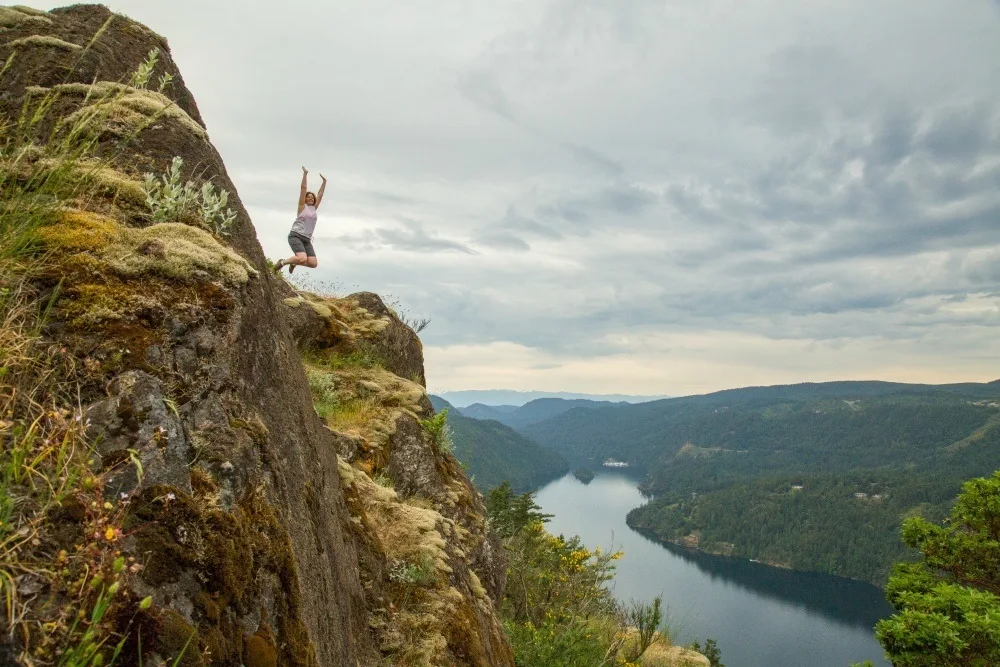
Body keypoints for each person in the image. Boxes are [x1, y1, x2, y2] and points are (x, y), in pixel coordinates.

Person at [273, 166, 327, 273]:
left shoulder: (313, 209)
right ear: (305, 199)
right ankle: (283, 262)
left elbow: (320, 194)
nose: (311, 198)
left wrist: (324, 182)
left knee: (313, 263)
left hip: (306, 239)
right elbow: (303, 188)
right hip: (296, 235)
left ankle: (294, 262)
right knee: (302, 258)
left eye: (312, 197)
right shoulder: (302, 207)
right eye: (308, 197)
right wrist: (305, 174)